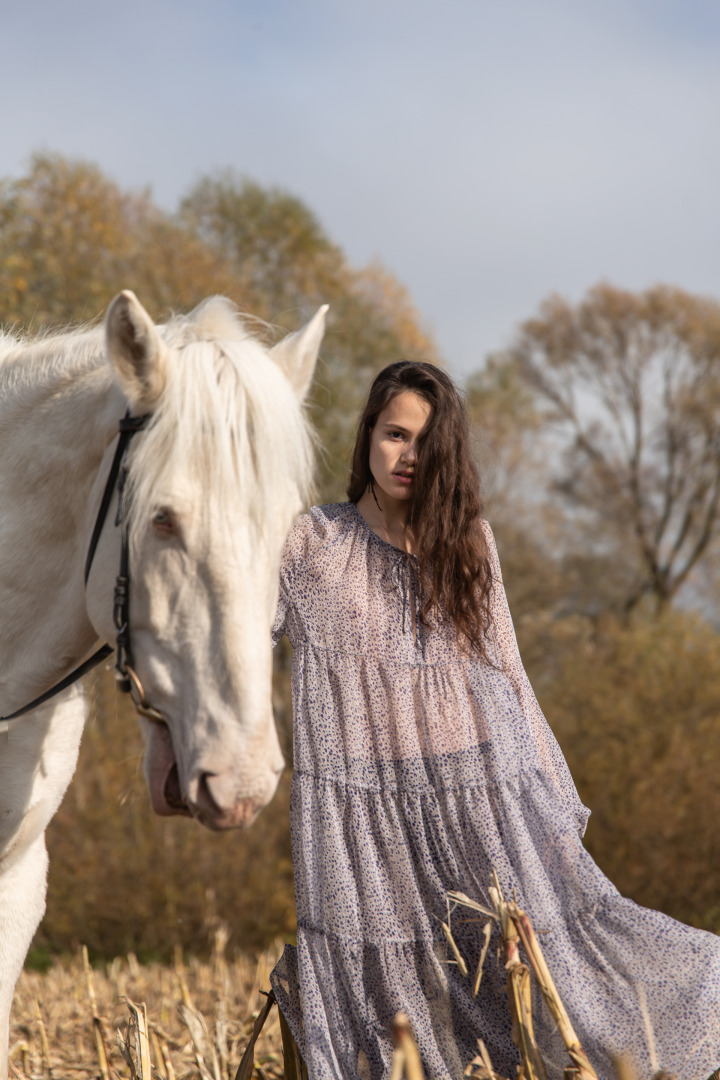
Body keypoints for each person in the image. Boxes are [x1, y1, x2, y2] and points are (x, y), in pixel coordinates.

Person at [269, 361, 720, 1080]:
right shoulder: (309, 547)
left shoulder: (469, 544)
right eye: (394, 434)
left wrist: (549, 794)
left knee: (533, 971)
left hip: (479, 798)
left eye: (426, 442)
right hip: (362, 815)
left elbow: (509, 673)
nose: (408, 455)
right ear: (367, 438)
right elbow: (230, 625)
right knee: (391, 992)